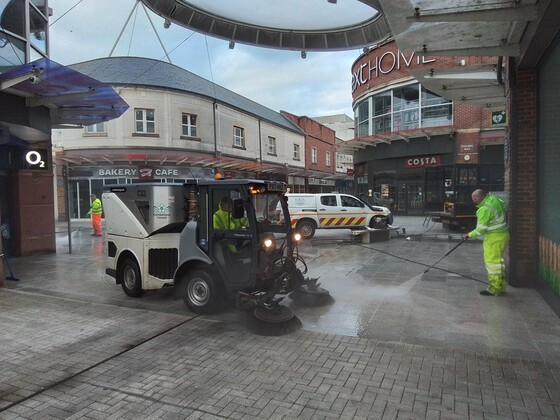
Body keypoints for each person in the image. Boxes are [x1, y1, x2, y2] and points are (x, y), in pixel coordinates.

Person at [465, 189, 509, 296]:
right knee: (499, 262)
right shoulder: (494, 200)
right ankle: (501, 285)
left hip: (494, 237)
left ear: (482, 196)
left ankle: (494, 288)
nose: (474, 200)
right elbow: (505, 207)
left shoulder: (484, 209)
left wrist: (468, 235)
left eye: (476, 197)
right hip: (503, 234)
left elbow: (480, 230)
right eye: (472, 198)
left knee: (492, 263)